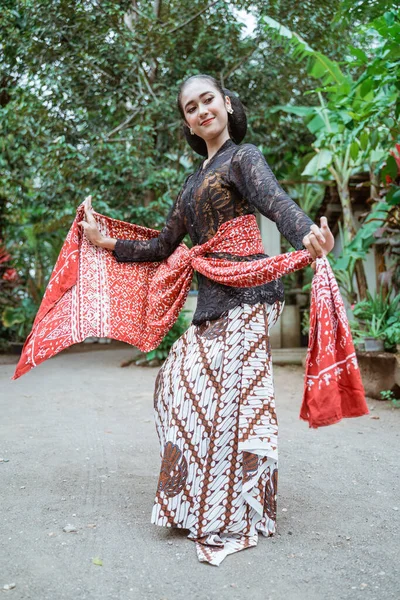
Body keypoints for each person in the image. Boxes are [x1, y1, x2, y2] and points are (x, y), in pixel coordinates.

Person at [79, 74, 335, 566]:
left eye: (208, 101)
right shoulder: (193, 182)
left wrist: (306, 235)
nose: (201, 111)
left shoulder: (244, 157)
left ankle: (226, 514)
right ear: (188, 125)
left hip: (251, 292)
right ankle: (215, 500)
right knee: (175, 385)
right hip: (213, 301)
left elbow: (276, 202)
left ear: (226, 104)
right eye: (190, 108)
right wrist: (105, 241)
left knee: (229, 407)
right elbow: (160, 246)